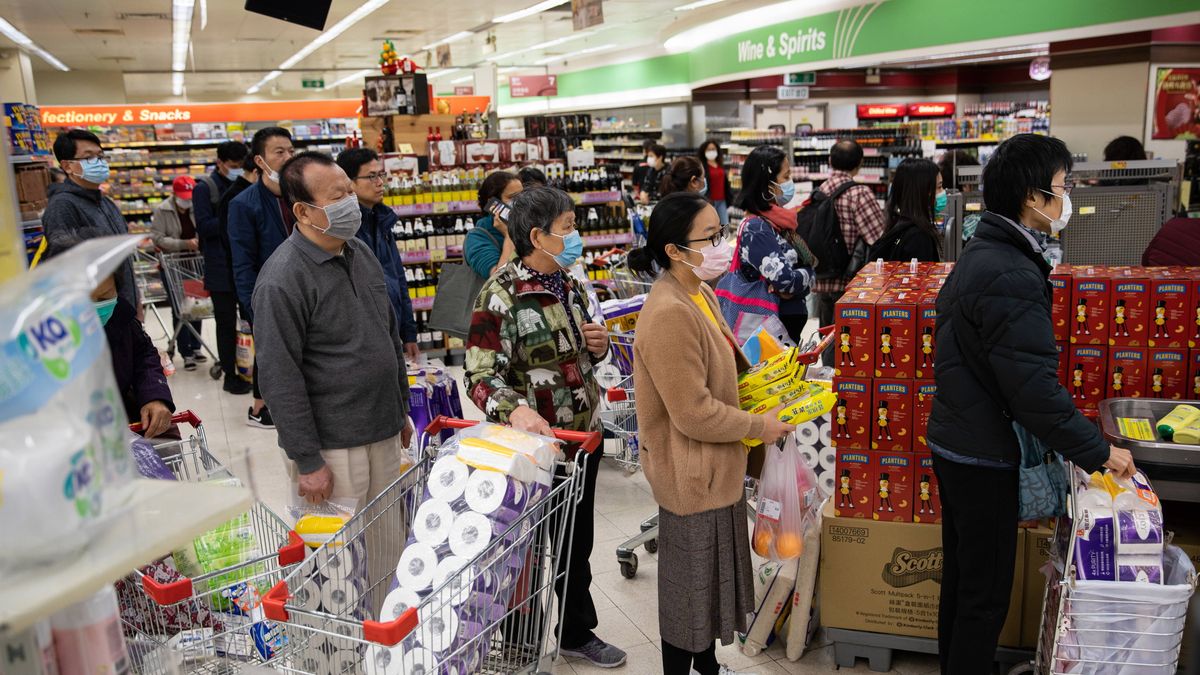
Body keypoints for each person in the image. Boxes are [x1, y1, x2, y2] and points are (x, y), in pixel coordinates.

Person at [928, 133, 1137, 674]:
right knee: (985, 592)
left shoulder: (986, 252)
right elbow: (1033, 390)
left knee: (964, 580)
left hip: (956, 441)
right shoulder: (1011, 272)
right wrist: (1097, 450)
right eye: (1063, 188)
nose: (1066, 200)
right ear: (1032, 197)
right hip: (982, 453)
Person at [628, 192, 793, 675]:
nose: (722, 246)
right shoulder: (668, 313)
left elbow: (722, 374)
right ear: (676, 250)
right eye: (711, 237)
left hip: (714, 469)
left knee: (710, 585)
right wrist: (760, 426)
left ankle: (706, 664)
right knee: (688, 594)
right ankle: (683, 666)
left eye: (722, 234)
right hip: (690, 477)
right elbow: (694, 413)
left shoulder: (698, 292)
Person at [464, 186, 625, 669]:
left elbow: (582, 358)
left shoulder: (569, 282)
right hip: (531, 451)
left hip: (581, 441)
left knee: (577, 544)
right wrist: (516, 411)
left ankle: (576, 631)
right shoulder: (499, 296)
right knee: (525, 551)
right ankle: (517, 642)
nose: (576, 237)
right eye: (569, 228)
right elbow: (479, 378)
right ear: (537, 236)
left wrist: (598, 348)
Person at [252, 151, 413, 510]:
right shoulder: (282, 280)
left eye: (350, 193)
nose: (351, 204)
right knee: (342, 560)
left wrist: (400, 410)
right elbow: (279, 376)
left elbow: (388, 336)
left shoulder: (360, 252)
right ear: (303, 212)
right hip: (334, 447)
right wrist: (308, 460)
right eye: (337, 198)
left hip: (384, 430)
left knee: (388, 544)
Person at [44, 228, 175, 438]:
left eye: (105, 296)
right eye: (84, 300)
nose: (95, 309)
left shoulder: (120, 317)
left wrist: (154, 396)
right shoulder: (42, 338)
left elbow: (143, 354)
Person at [228, 126, 296, 429]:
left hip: (305, 291)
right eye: (279, 152)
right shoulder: (243, 205)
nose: (288, 157)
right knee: (272, 355)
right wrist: (253, 308)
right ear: (260, 160)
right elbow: (242, 263)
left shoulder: (302, 194)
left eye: (291, 151)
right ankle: (264, 407)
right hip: (268, 294)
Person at [715, 145, 815, 342]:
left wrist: (804, 275)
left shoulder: (779, 224)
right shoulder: (757, 229)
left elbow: (809, 267)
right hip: (767, 330)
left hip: (781, 327)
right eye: (785, 177)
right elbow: (787, 281)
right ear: (768, 186)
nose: (790, 183)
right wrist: (805, 276)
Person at [336, 148, 420, 361]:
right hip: (362, 338)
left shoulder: (382, 221)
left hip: (390, 328)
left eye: (380, 175)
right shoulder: (344, 229)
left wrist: (408, 332)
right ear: (349, 182)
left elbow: (398, 278)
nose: (380, 182)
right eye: (371, 176)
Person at [38, 129, 136, 310]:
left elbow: (122, 259)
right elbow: (65, 268)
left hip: (123, 310)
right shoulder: (62, 206)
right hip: (97, 314)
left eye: (100, 156)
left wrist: (136, 303)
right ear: (67, 166)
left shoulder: (106, 203)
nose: (98, 162)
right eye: (89, 157)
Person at [811, 139, 887, 365]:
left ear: (830, 161)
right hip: (850, 282)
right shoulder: (859, 193)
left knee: (828, 337)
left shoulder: (819, 191)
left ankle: (828, 383)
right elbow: (878, 237)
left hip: (823, 277)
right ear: (859, 164)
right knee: (849, 342)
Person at [195, 141, 251, 393]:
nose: (238, 170)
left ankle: (252, 371)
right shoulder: (205, 188)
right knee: (226, 324)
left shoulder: (248, 184)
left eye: (241, 166)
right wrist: (234, 215)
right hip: (219, 269)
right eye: (233, 166)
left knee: (252, 321)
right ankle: (231, 374)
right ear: (220, 163)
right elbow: (204, 227)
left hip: (244, 265)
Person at [150, 175, 207, 371]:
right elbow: (157, 238)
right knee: (180, 310)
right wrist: (184, 244)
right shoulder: (162, 210)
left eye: (190, 196)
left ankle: (197, 346)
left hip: (194, 264)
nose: (187, 200)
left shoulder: (197, 206)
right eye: (183, 196)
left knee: (197, 306)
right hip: (173, 266)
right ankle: (186, 351)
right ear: (174, 194)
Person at [869, 158, 943, 262]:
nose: (943, 192)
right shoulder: (919, 237)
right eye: (939, 187)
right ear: (922, 191)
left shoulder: (897, 223)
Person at [463, 170, 523, 279]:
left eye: (522, 195)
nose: (521, 201)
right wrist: (509, 235)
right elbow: (500, 278)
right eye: (513, 197)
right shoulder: (477, 237)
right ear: (493, 203)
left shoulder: (525, 225)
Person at [698, 139, 732, 225]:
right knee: (711, 225)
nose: (711, 152)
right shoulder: (702, 167)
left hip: (722, 200)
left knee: (725, 225)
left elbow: (725, 184)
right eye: (708, 149)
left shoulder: (720, 164)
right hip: (709, 201)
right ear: (704, 151)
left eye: (713, 149)